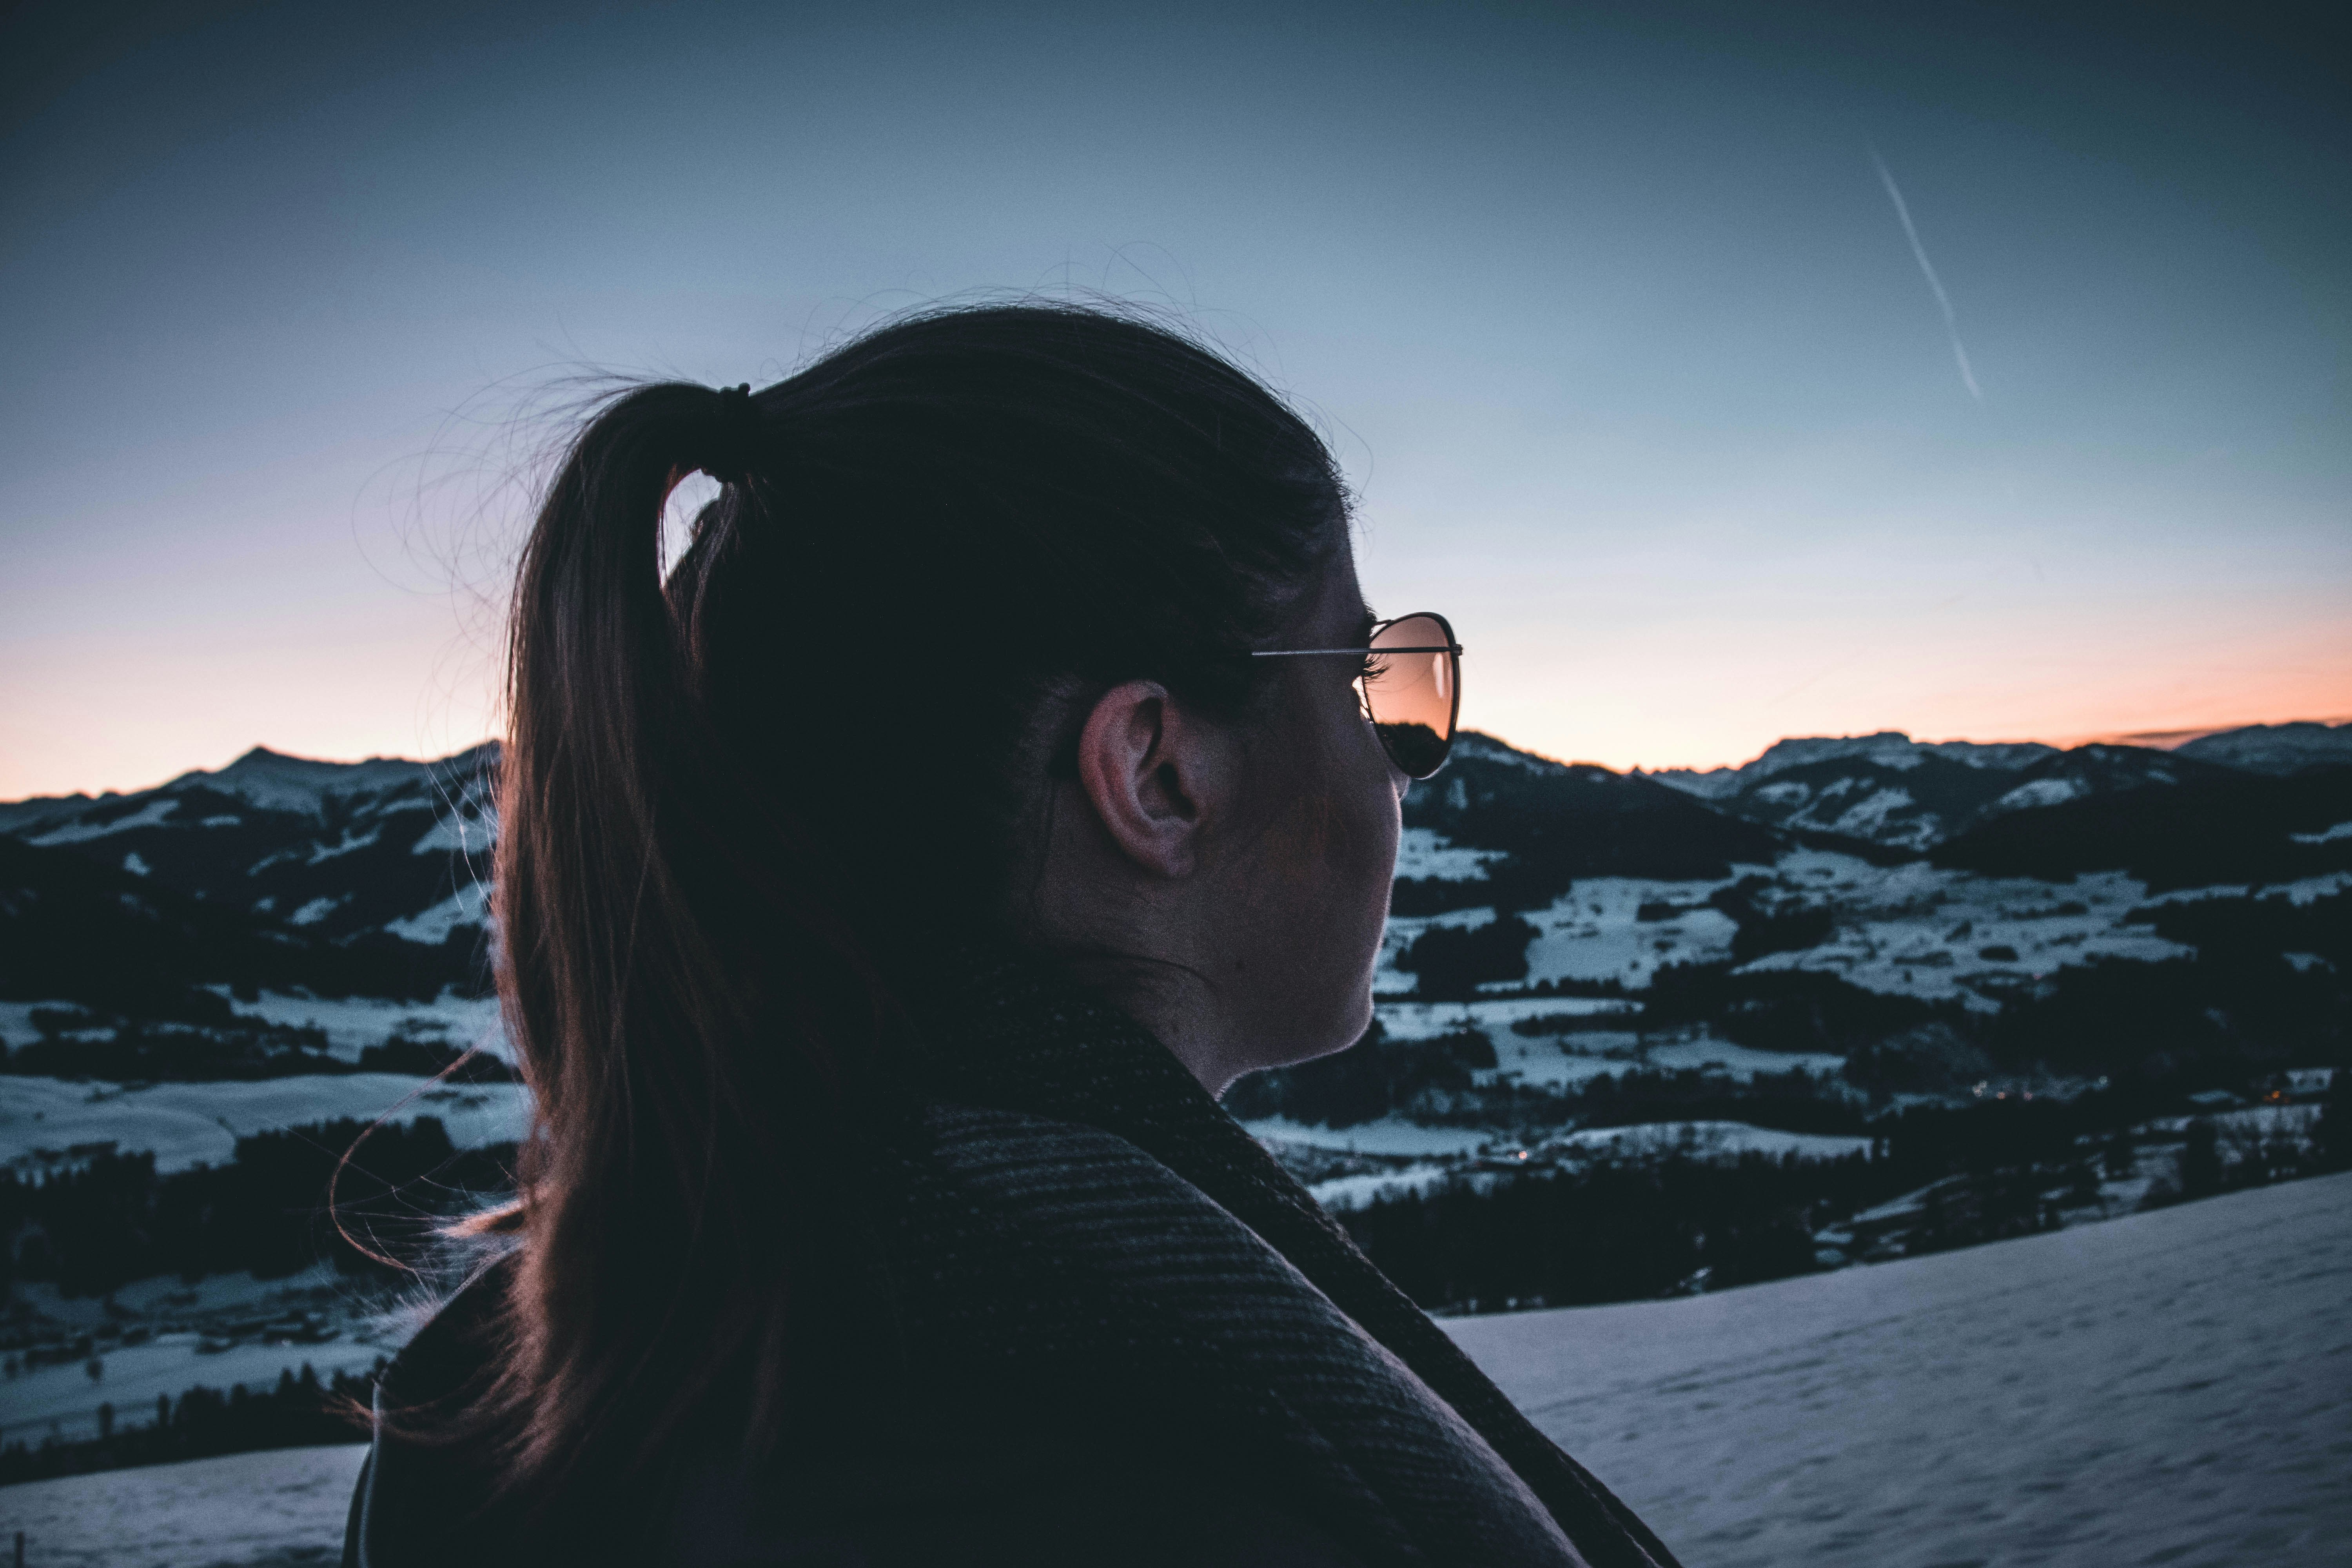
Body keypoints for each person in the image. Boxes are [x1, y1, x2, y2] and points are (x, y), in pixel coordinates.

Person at [342, 303, 1678, 1567]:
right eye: (1368, 674)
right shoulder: (1142, 1465)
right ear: (1157, 775)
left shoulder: (533, 1368)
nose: (1400, 760)